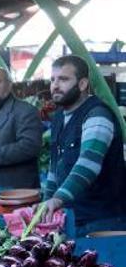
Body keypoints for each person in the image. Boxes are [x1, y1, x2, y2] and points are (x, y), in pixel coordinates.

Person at [42, 55, 126, 235]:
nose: (55, 85)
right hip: (74, 218)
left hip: (103, 222)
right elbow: (53, 167)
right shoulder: (59, 117)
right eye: (52, 79)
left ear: (82, 84)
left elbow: (88, 164)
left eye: (63, 79)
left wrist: (57, 199)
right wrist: (46, 202)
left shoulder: (97, 115)